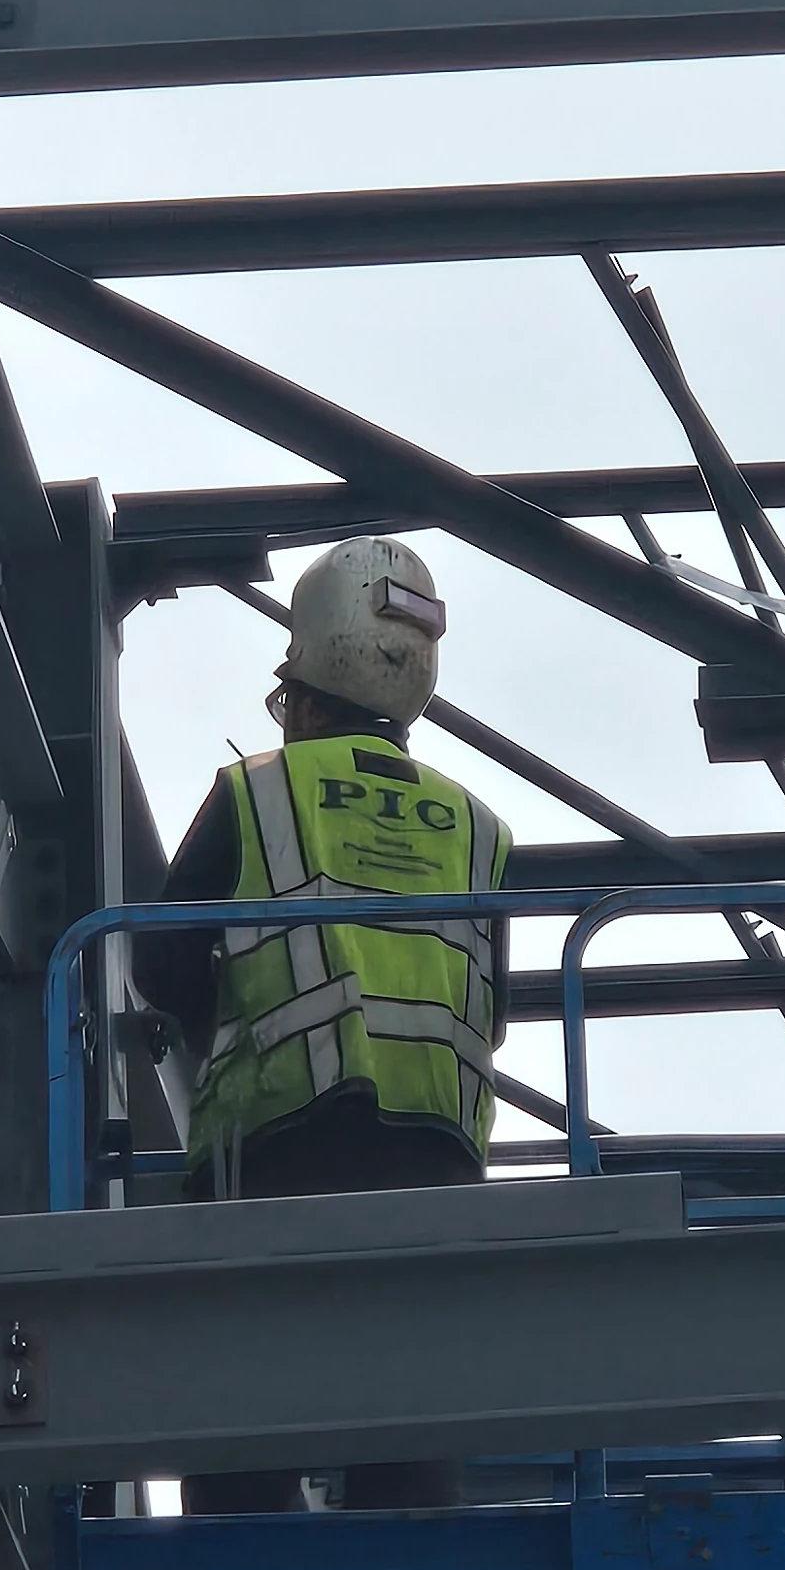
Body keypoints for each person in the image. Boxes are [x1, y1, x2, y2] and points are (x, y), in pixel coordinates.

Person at [132, 537, 511, 1509]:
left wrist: (241, 1020)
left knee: (243, 1426)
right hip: (437, 1169)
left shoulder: (257, 791)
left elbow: (161, 961)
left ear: (304, 691)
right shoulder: (477, 828)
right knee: (412, 1431)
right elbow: (490, 999)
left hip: (282, 1159)